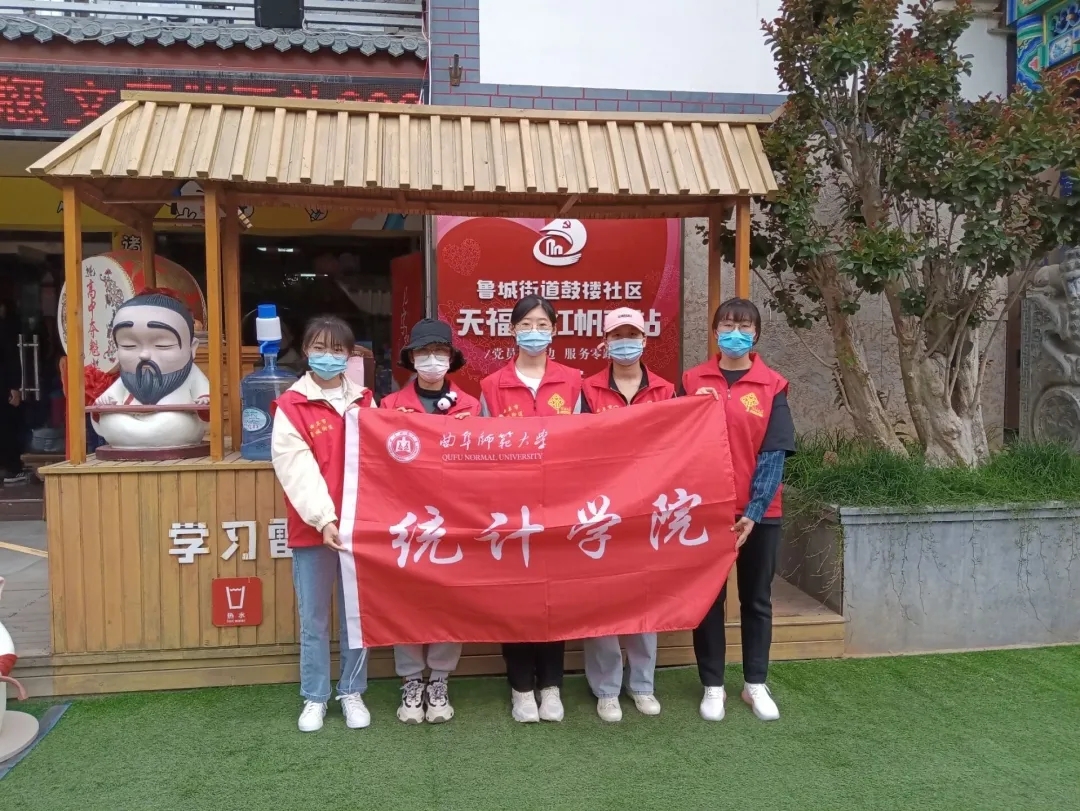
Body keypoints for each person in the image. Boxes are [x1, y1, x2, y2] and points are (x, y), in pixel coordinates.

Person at [681, 297, 795, 723]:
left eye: (744, 326)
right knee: (709, 599)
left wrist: (754, 509)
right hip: (706, 511)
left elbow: (774, 451)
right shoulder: (692, 380)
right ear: (714, 331)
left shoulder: (772, 385)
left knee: (756, 598)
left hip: (759, 514)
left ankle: (754, 683)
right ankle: (712, 685)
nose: (735, 333)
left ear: (756, 334)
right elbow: (677, 443)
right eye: (727, 324)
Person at [479, 294, 583, 724]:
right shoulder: (492, 385)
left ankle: (552, 685)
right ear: (512, 330)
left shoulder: (573, 382)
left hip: (560, 507)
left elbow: (586, 444)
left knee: (553, 597)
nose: (534, 332)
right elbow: (481, 450)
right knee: (516, 598)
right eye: (526, 324)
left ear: (554, 330)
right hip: (511, 509)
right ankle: (521, 688)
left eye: (542, 324)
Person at [270, 315, 378, 733]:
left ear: (350, 356)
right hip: (312, 529)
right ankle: (314, 697)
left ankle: (352, 691)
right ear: (305, 351)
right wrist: (324, 519)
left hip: (360, 528)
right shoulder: (291, 405)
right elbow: (295, 469)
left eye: (337, 350)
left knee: (356, 618)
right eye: (319, 348)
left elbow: (382, 461)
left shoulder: (366, 401)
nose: (328, 356)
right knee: (313, 620)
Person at [379, 318, 478, 724]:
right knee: (405, 599)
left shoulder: (471, 406)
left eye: (439, 352)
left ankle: (439, 680)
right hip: (405, 518)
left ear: (451, 358)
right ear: (411, 359)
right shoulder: (388, 407)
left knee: (449, 600)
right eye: (424, 352)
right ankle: (410, 681)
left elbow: (485, 465)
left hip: (455, 517)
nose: (432, 359)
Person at [579, 307, 674, 722]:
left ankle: (642, 685)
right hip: (601, 509)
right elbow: (577, 447)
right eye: (617, 335)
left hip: (648, 509)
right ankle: (606, 689)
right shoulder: (588, 389)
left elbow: (676, 444)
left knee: (643, 596)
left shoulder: (666, 390)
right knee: (602, 599)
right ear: (605, 342)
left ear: (645, 339)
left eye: (632, 334)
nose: (625, 342)